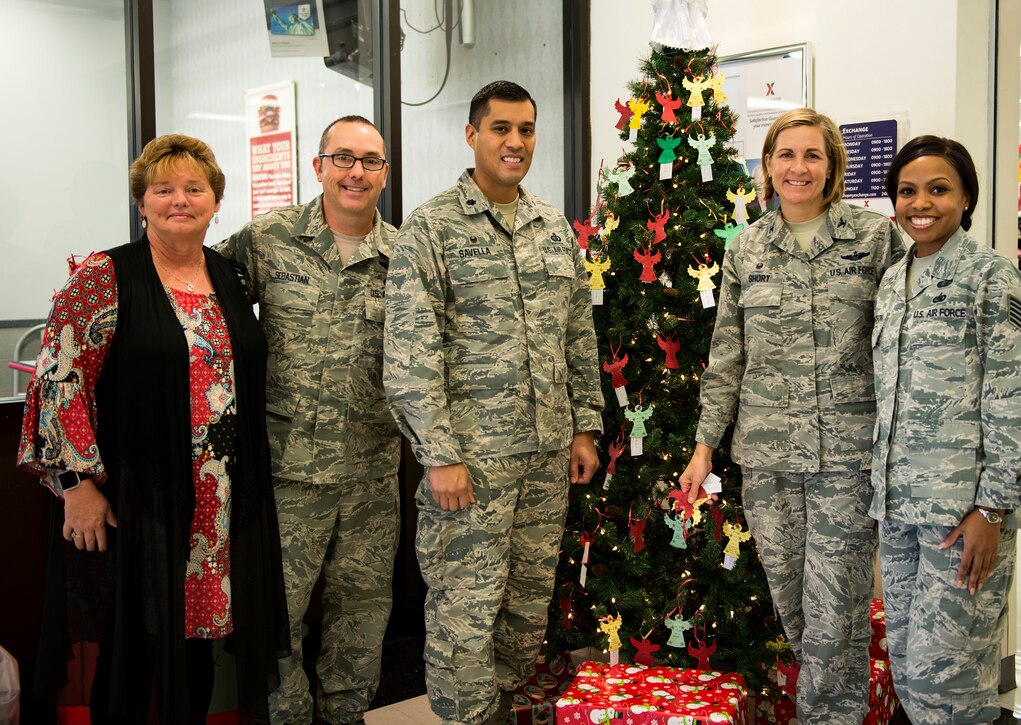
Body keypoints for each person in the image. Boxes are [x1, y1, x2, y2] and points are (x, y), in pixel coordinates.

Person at [18, 134, 289, 723]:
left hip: (216, 503)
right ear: (141, 202)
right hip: (136, 500)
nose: (179, 200)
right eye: (162, 189)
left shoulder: (231, 278)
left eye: (195, 188)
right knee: (130, 653)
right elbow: (59, 382)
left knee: (194, 653)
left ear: (217, 201)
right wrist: (77, 485)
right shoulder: (101, 277)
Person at [383, 80, 604, 725]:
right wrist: (438, 453)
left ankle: (503, 714)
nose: (515, 142)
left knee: (524, 609)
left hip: (544, 457)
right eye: (502, 128)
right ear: (473, 133)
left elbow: (576, 336)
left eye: (527, 129)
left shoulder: (553, 229)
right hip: (471, 467)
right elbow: (409, 352)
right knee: (464, 612)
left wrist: (584, 428)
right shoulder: (432, 227)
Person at [679, 108, 905, 723]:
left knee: (837, 612)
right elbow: (727, 354)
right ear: (768, 165)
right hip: (768, 457)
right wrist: (704, 447)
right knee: (796, 608)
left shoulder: (875, 239)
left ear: (831, 166)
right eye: (786, 155)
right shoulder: (747, 248)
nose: (798, 167)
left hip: (847, 460)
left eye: (812, 155)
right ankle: (833, 710)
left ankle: (827, 716)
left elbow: (903, 343)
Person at [214, 115, 401, 725]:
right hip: (286, 472)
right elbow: (198, 295)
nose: (356, 172)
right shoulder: (269, 239)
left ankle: (346, 716)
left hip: (372, 473)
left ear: (384, 173)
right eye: (342, 158)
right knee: (277, 617)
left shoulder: (404, 258)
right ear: (317, 166)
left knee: (364, 614)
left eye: (369, 161)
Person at [871, 136, 1021, 724]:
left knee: (947, 684)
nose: (920, 203)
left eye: (938, 189)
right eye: (907, 191)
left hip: (964, 517)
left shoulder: (991, 278)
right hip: (899, 510)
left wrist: (994, 509)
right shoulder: (893, 281)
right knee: (908, 670)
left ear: (967, 198)